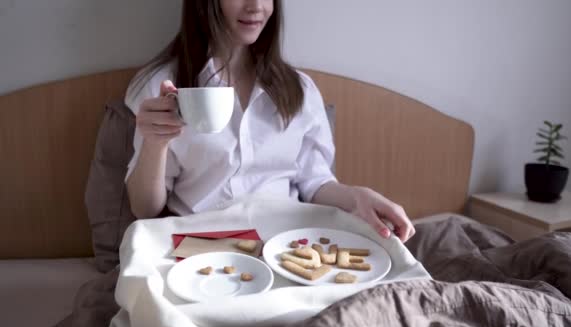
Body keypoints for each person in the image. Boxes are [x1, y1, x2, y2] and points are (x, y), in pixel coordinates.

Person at [124, 0, 415, 242]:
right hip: (202, 245)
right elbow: (145, 209)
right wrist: (155, 143)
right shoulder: (163, 86)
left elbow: (314, 183)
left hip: (285, 242)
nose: (257, 6)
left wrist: (356, 197)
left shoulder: (299, 90)